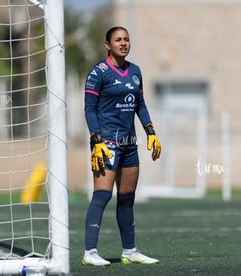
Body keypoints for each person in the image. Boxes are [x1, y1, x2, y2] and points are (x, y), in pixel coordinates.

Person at [82, 26, 161, 266]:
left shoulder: (135, 71)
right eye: (118, 40)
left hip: (129, 143)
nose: (124, 43)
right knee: (102, 196)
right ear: (108, 44)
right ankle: (90, 253)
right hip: (106, 143)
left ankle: (130, 251)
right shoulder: (99, 72)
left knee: (127, 198)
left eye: (126, 39)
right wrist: (96, 139)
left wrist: (150, 131)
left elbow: (141, 105)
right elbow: (89, 109)